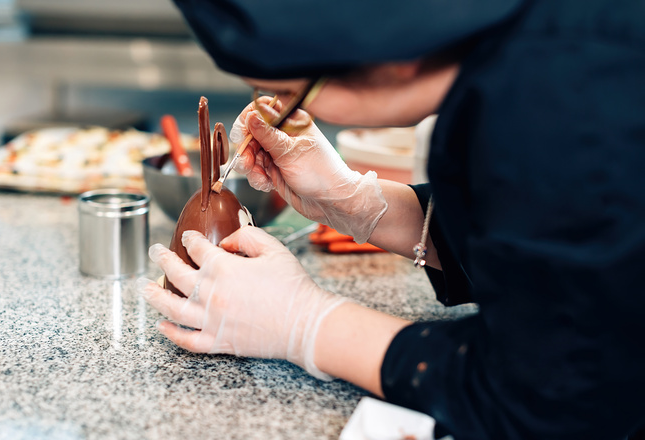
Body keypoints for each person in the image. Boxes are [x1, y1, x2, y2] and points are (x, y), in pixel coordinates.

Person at [136, 0, 645, 438]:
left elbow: (556, 393)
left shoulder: (575, 89)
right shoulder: (525, 51)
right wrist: (362, 204)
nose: (283, 108)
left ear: (393, 51)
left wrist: (307, 324)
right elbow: (562, 253)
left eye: (290, 95)